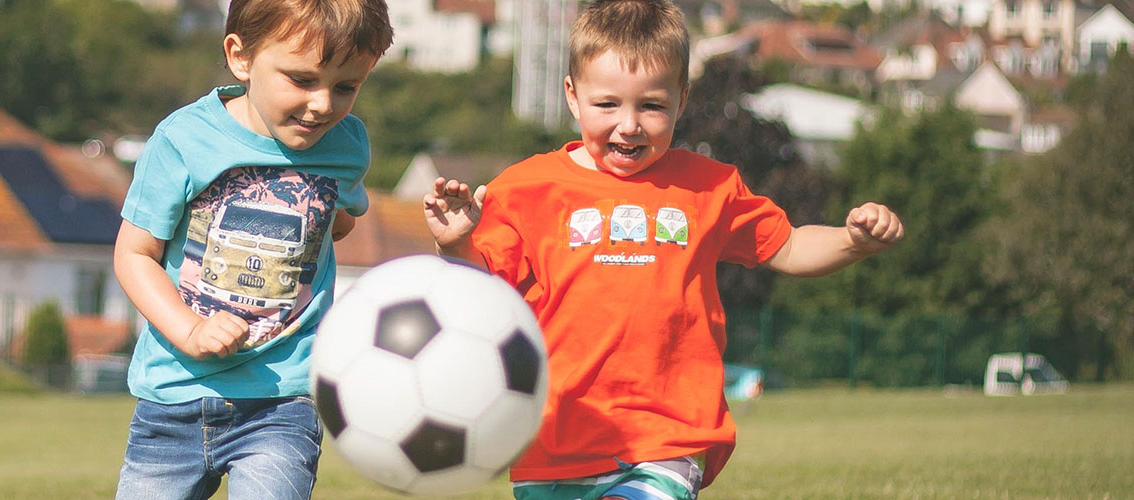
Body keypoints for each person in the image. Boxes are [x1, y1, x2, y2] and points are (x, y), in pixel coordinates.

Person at [422, 0, 903, 498]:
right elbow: (482, 292)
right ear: (572, 96)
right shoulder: (526, 189)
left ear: (682, 100)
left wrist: (851, 241)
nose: (629, 125)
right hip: (552, 441)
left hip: (665, 437)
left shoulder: (709, 187)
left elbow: (789, 248)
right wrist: (458, 241)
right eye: (607, 105)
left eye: (651, 106)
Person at [111, 0, 392, 498]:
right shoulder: (184, 140)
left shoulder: (347, 145)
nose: (324, 104)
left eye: (346, 86)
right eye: (302, 80)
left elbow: (336, 223)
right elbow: (135, 255)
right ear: (241, 57)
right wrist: (191, 329)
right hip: (172, 396)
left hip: (282, 402)